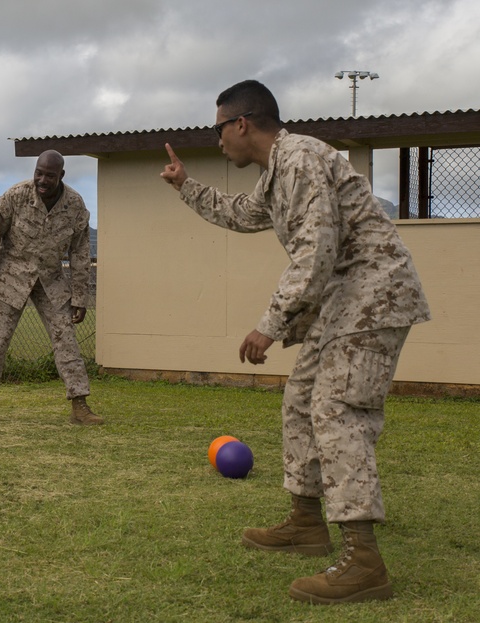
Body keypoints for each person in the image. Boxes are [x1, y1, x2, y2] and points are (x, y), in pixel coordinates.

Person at [160, 80, 430, 604]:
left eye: (219, 129)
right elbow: (240, 214)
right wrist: (185, 186)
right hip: (341, 303)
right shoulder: (276, 174)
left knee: (337, 410)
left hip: (373, 296)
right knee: (301, 400)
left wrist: (270, 324)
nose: (217, 141)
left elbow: (316, 250)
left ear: (242, 123)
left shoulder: (301, 158)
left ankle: (364, 562)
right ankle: (307, 523)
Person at [0, 150, 102, 426]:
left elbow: (79, 254)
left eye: (49, 175)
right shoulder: (14, 196)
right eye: (38, 173)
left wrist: (80, 297)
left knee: (66, 340)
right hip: (10, 278)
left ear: (61, 176)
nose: (42, 180)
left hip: (51, 281)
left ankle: (80, 406)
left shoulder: (75, 205)